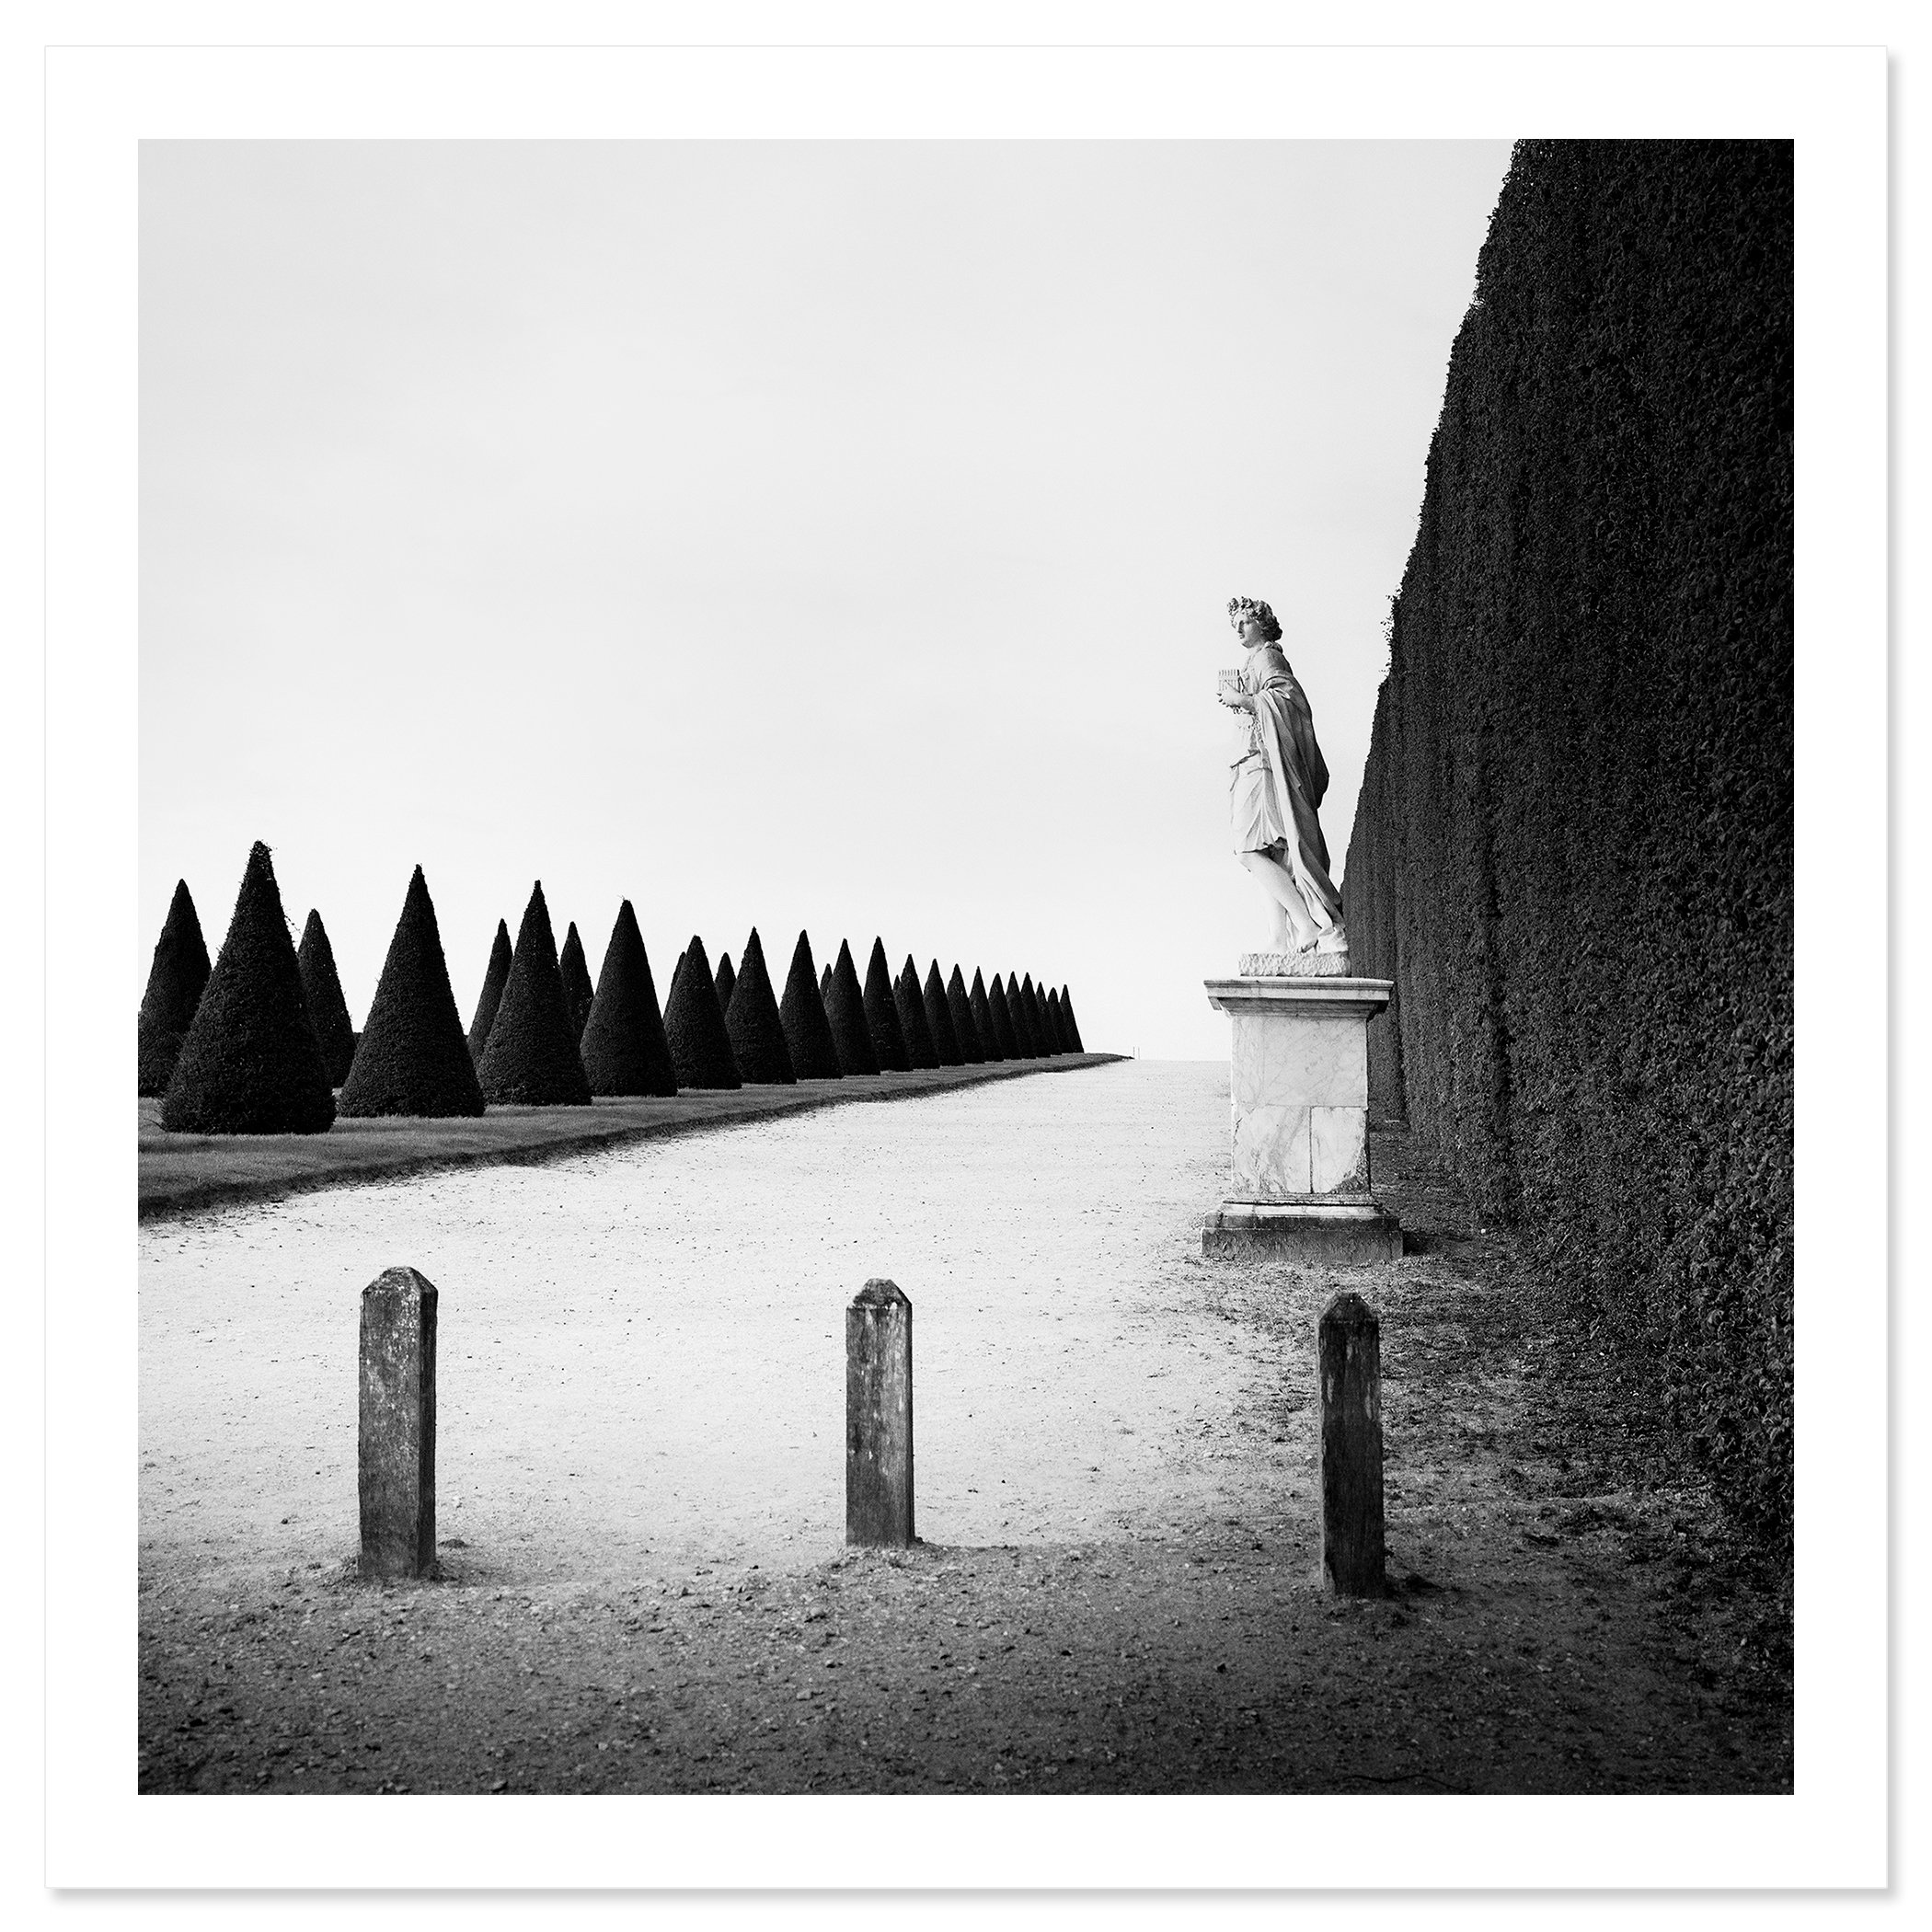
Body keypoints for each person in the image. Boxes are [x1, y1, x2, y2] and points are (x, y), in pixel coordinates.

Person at [1217, 595, 1349, 961]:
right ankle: (1279, 938)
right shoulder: (1253, 660)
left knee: (1249, 851)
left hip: (1261, 765)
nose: (1240, 630)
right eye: (1236, 626)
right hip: (1252, 762)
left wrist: (1244, 701)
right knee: (1268, 853)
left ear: (1263, 622)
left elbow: (1289, 700)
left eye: (1245, 622)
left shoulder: (1267, 656)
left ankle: (1305, 923)